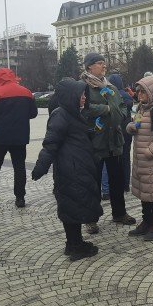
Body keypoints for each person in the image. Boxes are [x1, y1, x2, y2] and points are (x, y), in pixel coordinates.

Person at [32, 79, 102, 261]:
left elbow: (75, 135)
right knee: (72, 206)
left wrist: (90, 133)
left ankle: (74, 243)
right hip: (71, 169)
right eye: (82, 94)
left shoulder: (73, 113)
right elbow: (50, 143)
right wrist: (40, 167)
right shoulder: (60, 114)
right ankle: (74, 246)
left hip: (78, 166)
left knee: (76, 205)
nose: (84, 97)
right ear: (72, 96)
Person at [80, 53, 135, 233]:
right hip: (95, 142)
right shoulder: (83, 87)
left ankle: (119, 213)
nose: (104, 66)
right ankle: (91, 219)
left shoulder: (109, 86)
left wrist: (117, 113)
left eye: (104, 63)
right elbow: (83, 110)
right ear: (89, 67)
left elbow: (122, 107)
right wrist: (106, 109)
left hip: (114, 141)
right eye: (99, 63)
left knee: (117, 181)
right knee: (93, 182)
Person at [0, 68, 38, 208]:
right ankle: (20, 198)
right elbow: (34, 113)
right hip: (20, 137)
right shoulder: (27, 92)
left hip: (0, 137)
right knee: (19, 167)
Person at [126, 76, 153, 241]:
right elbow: (136, 125)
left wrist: (149, 152)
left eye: (142, 91)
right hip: (141, 162)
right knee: (144, 193)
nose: (139, 95)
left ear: (151, 92)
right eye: (138, 91)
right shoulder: (140, 109)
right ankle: (146, 221)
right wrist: (131, 127)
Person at [109, 72, 134, 193]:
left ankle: (116, 182)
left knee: (115, 157)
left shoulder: (111, 94)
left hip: (116, 130)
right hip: (127, 130)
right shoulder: (128, 96)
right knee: (126, 157)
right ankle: (126, 184)